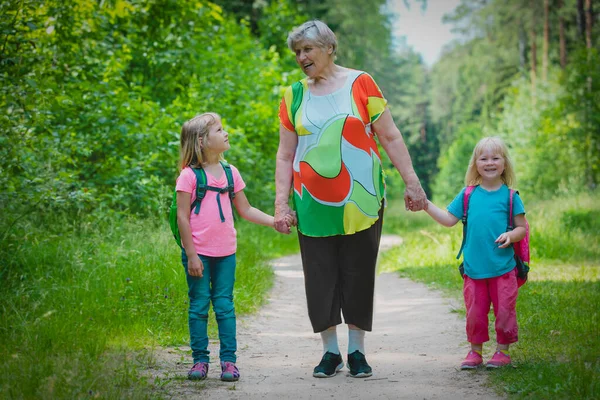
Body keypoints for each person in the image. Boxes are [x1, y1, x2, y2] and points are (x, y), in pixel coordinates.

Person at [273, 20, 428, 378]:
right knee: (319, 275)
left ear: (329, 47)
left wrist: (412, 183)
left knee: (359, 273)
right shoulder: (293, 95)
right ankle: (330, 352)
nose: (301, 57)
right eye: (297, 52)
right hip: (311, 202)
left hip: (362, 199)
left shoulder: (361, 83)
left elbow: (389, 136)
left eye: (307, 49)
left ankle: (357, 350)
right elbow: (285, 155)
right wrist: (282, 204)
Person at [176, 112, 294, 382]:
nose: (225, 133)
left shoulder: (231, 172)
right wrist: (191, 255)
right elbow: (183, 216)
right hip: (199, 254)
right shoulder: (188, 176)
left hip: (226, 253)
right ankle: (200, 361)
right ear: (202, 141)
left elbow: (246, 209)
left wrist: (274, 222)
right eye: (219, 130)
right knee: (198, 306)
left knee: (225, 306)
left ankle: (229, 362)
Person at [422, 136, 526, 369]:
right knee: (475, 313)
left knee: (504, 311)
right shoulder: (468, 195)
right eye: (484, 158)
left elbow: (521, 228)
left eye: (495, 158)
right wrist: (426, 204)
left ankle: (502, 352)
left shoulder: (510, 197)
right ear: (476, 164)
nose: (490, 163)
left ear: (504, 163)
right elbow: (449, 219)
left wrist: (511, 236)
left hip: (503, 268)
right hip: (474, 268)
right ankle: (475, 352)